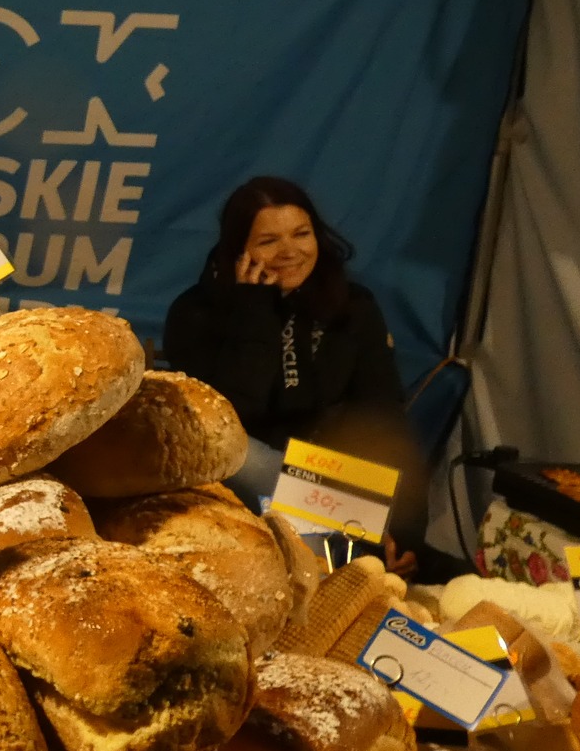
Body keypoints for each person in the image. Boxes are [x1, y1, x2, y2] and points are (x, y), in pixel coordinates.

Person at [163, 177, 420, 575]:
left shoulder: (352, 305)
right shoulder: (196, 313)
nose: (290, 251)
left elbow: (382, 414)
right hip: (244, 480)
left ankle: (348, 555)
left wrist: (404, 525)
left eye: (302, 234)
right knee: (243, 456)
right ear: (238, 250)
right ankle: (329, 562)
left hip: (335, 482)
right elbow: (229, 420)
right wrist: (255, 309)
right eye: (268, 241)